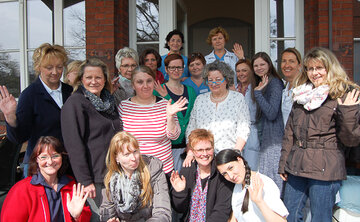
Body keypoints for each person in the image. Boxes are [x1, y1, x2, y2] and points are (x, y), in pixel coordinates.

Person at [278, 47, 360, 222]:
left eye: (319, 68)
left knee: (320, 218)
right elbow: (289, 133)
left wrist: (348, 110)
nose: (314, 73)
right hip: (297, 165)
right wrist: (283, 163)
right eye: (310, 68)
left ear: (329, 68)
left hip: (325, 167)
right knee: (289, 215)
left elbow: (351, 140)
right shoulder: (302, 95)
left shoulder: (343, 93)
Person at [61, 58, 123, 221]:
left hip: (113, 174)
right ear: (81, 79)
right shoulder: (75, 103)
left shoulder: (108, 101)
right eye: (89, 77)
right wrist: (85, 181)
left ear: (104, 80)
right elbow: (74, 146)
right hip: (95, 178)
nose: (93, 81)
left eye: (98, 77)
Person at [0, 43, 73, 177]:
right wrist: (10, 116)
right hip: (40, 166)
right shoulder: (30, 95)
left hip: (67, 164)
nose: (55, 72)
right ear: (38, 67)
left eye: (59, 67)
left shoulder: (70, 92)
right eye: (49, 67)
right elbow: (19, 137)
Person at [1, 136, 91, 222]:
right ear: (37, 159)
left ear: (62, 157)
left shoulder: (71, 185)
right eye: (44, 157)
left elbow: (85, 218)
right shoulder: (22, 190)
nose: (50, 161)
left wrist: (77, 216)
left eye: (55, 156)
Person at [118, 65, 187, 175]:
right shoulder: (124, 107)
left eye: (149, 81)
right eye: (140, 82)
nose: (145, 86)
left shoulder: (166, 104)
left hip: (163, 170)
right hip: (134, 171)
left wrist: (170, 116)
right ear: (133, 85)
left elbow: (174, 136)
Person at [185, 60, 250, 165]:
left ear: (226, 80)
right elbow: (191, 128)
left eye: (218, 79)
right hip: (203, 157)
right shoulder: (200, 100)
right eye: (210, 80)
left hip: (228, 157)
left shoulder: (237, 98)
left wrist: (236, 153)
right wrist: (190, 152)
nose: (214, 83)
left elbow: (244, 128)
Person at [99, 131, 171, 222]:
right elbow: (107, 212)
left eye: (135, 151)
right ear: (116, 158)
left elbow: (163, 213)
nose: (133, 158)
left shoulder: (153, 170)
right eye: (127, 154)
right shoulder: (110, 178)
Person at [170, 129, 234, 222]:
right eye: (200, 150)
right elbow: (179, 209)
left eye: (208, 149)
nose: (205, 154)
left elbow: (222, 211)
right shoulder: (187, 169)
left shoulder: (222, 173)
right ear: (192, 151)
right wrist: (180, 192)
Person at [216, 149, 288, 222]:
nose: (231, 176)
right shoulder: (237, 187)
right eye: (225, 174)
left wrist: (259, 202)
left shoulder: (263, 183)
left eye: (231, 168)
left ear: (240, 160)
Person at [154, 54, 197, 171]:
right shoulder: (158, 90)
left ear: (183, 69)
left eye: (179, 67)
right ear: (166, 69)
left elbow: (194, 118)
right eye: (172, 67)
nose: (176, 70)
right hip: (166, 148)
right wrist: (166, 95)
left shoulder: (190, 91)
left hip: (187, 148)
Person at [252, 52, 284, 191]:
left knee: (273, 181)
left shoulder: (275, 83)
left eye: (262, 64)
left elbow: (271, 113)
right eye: (256, 65)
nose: (259, 68)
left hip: (274, 139)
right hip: (265, 137)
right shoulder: (262, 82)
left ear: (269, 65)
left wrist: (258, 93)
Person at [235, 59, 260, 171]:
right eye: (238, 71)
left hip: (253, 132)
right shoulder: (235, 89)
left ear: (251, 71)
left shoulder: (257, 88)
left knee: (252, 168)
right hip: (236, 133)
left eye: (244, 70)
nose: (241, 73)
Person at [280, 48, 302, 127]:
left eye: (291, 61)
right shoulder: (284, 88)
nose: (286, 65)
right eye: (284, 61)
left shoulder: (303, 89)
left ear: (299, 65)